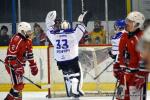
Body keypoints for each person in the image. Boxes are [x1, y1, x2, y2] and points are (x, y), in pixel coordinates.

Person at [45, 10, 91, 98]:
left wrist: (49, 22)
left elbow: (49, 29)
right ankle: (75, 89)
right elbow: (82, 26)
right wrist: (82, 19)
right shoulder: (73, 34)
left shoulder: (54, 34)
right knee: (76, 73)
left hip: (60, 60)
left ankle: (69, 92)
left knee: (67, 75)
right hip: (71, 59)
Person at [4, 22, 38, 100]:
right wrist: (16, 67)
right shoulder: (16, 39)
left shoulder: (28, 40)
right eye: (28, 31)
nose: (30, 33)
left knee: (20, 87)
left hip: (20, 65)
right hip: (11, 65)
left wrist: (33, 66)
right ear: (22, 31)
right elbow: (10, 56)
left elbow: (29, 54)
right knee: (18, 86)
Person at [118, 11, 146, 100]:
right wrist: (117, 67)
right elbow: (121, 53)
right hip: (124, 76)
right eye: (127, 21)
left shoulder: (141, 38)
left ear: (137, 24)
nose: (127, 23)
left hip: (136, 77)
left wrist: (141, 76)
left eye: (130, 21)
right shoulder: (124, 36)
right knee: (120, 98)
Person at [109, 20, 126, 97]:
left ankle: (121, 95)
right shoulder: (127, 34)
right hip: (124, 61)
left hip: (121, 62)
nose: (115, 27)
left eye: (116, 26)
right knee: (122, 77)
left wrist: (113, 55)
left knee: (122, 78)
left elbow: (115, 53)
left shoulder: (118, 36)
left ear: (119, 27)